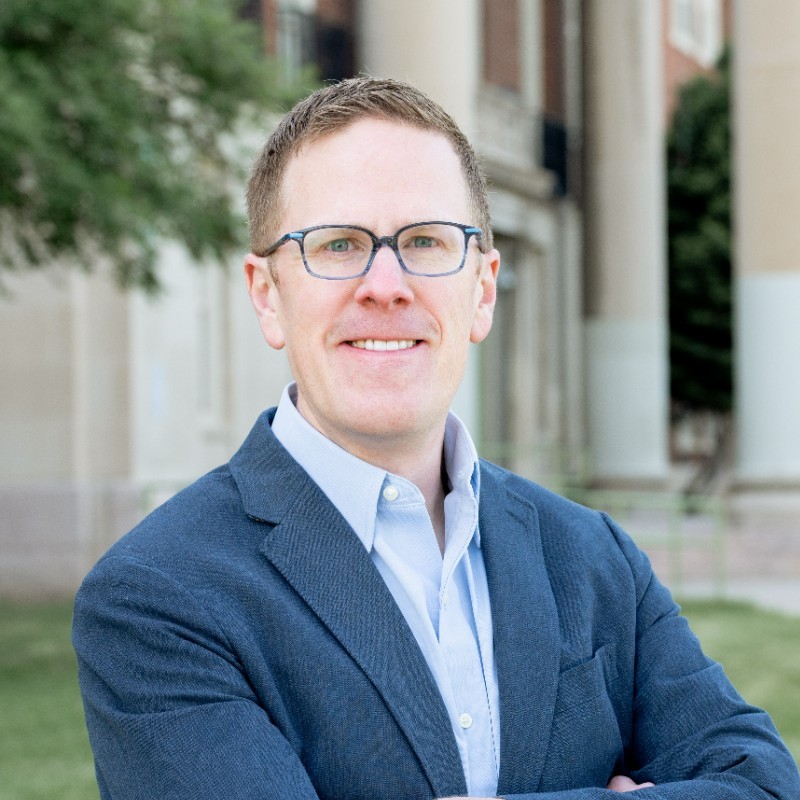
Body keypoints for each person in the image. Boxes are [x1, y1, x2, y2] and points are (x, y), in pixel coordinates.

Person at [72, 77, 799, 800]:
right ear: (268, 295)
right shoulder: (159, 597)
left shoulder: (592, 556)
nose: (385, 285)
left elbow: (763, 785)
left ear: (482, 290)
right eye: (336, 244)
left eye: (425, 241)